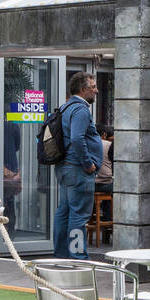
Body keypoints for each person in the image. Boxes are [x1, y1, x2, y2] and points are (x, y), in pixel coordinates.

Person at [52, 72, 103, 260]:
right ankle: (78, 257)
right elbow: (77, 137)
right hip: (78, 169)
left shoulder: (65, 107)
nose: (96, 90)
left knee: (64, 211)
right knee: (79, 215)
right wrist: (88, 163)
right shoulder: (81, 109)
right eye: (93, 87)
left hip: (65, 168)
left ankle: (61, 254)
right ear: (83, 90)